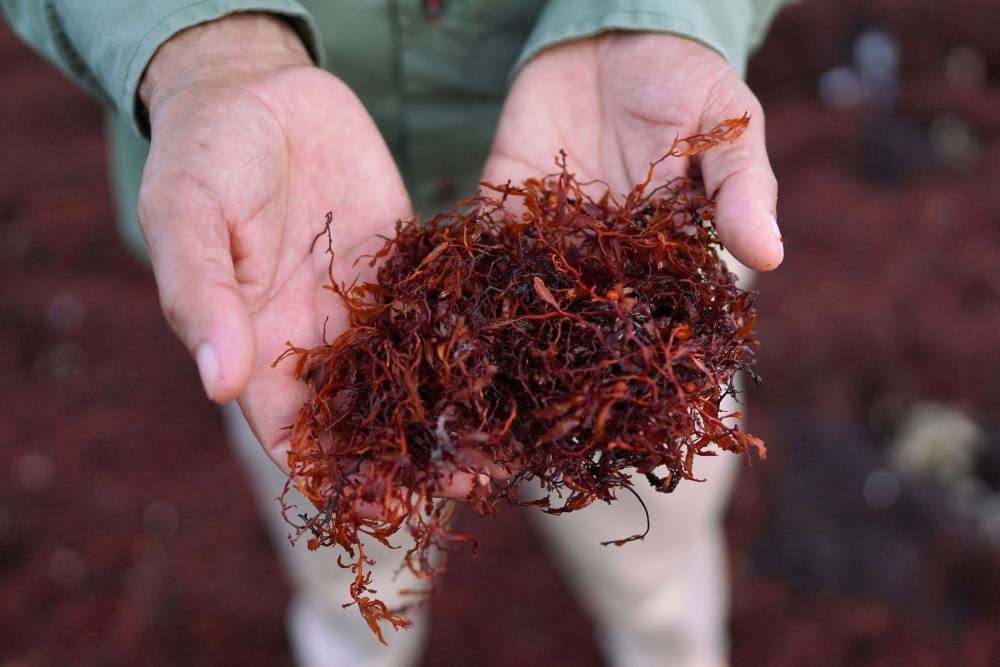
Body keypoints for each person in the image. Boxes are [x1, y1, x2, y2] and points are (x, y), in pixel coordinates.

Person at [3, 2, 788, 665]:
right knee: (350, 539)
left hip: (624, 185)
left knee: (652, 530)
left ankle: (666, 637)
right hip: (292, 248)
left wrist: (658, 16)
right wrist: (209, 46)